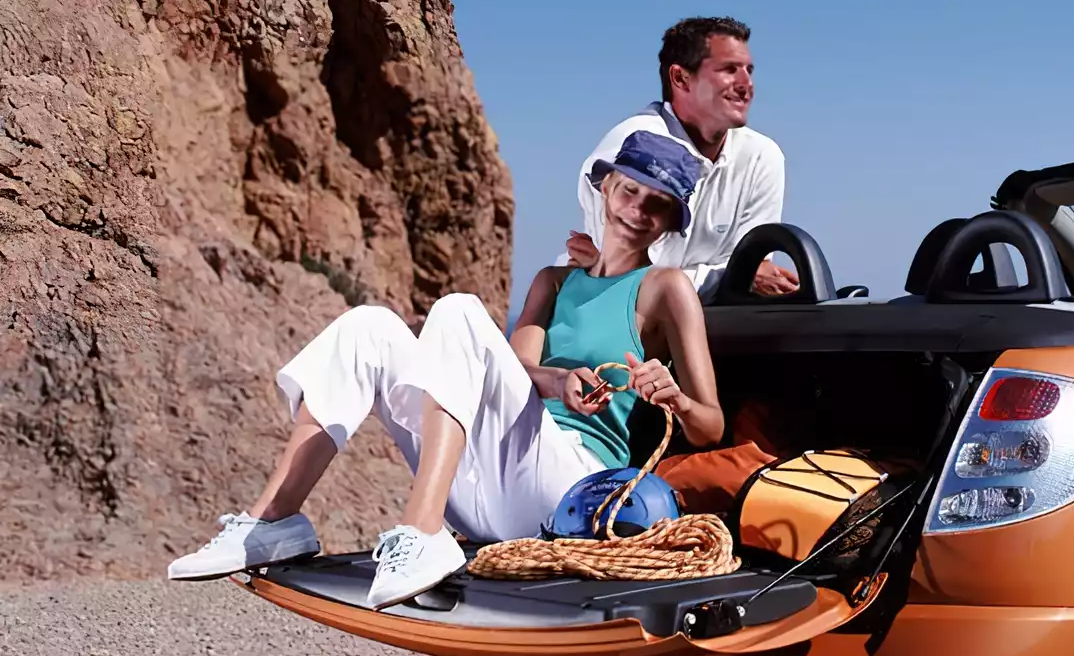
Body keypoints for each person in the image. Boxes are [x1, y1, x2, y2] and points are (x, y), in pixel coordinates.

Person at [169, 132, 725, 609]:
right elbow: (518, 371)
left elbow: (711, 425)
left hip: (572, 489)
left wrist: (674, 397)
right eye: (629, 191)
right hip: (490, 487)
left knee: (458, 310)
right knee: (367, 327)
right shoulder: (554, 283)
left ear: (669, 222)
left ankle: (422, 530)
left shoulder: (666, 289)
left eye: (657, 205)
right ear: (605, 189)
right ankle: (275, 521)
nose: (637, 210)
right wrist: (558, 381)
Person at [563, 16, 799, 298]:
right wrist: (732, 276)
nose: (746, 84)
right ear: (681, 78)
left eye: (749, 70)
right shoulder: (631, 150)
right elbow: (620, 282)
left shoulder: (763, 157)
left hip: (706, 319)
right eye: (729, 69)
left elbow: (757, 271)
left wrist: (738, 276)